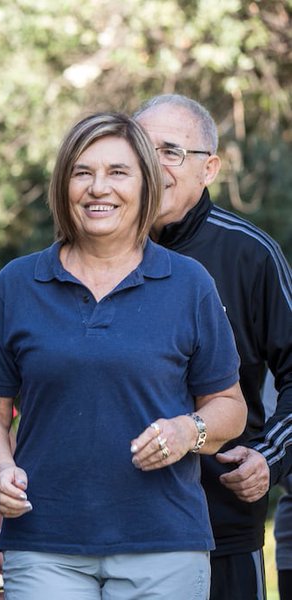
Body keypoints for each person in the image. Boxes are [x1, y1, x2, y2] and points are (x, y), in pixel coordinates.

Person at [0, 112, 246, 599]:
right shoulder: (16, 284)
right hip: (44, 540)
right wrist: (0, 470)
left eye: (118, 172)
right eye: (82, 172)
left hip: (164, 542)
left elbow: (230, 404)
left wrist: (189, 431)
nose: (99, 188)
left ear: (145, 185)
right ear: (63, 186)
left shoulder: (190, 284)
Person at [135, 94, 292, 600]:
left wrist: (269, 457)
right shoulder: (93, 254)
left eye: (172, 152)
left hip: (220, 523)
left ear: (210, 168)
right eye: (141, 147)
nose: (153, 164)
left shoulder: (250, 254)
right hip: (113, 527)